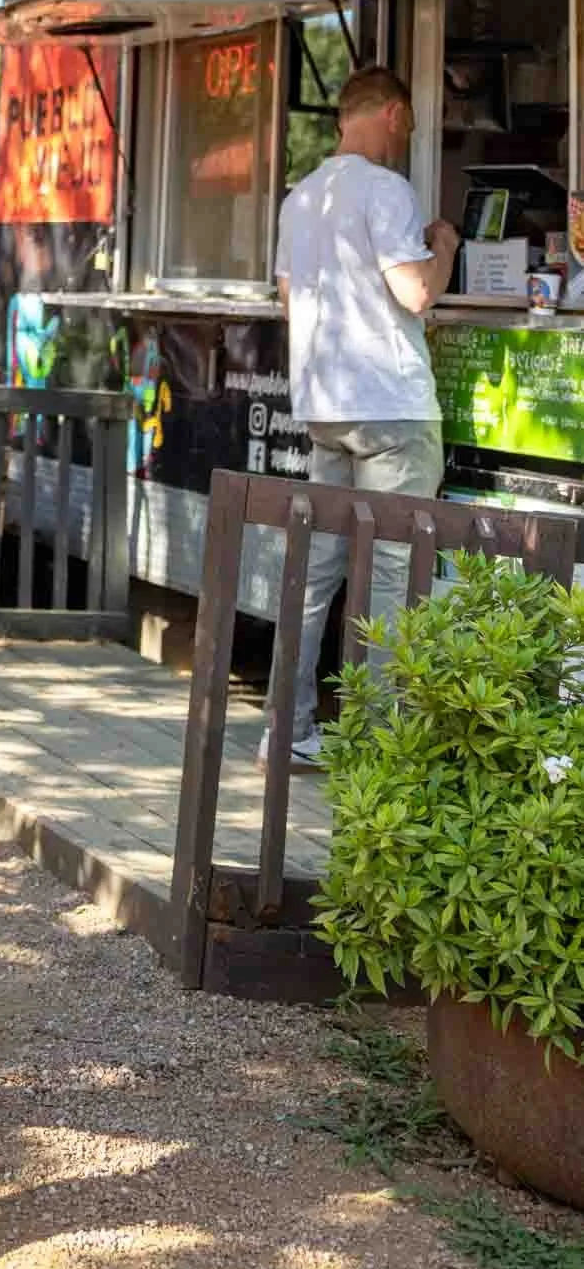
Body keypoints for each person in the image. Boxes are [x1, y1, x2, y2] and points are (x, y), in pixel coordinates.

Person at [264, 64, 460, 766]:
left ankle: (287, 733)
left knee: (314, 575)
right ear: (394, 114)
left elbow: (289, 301)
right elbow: (415, 293)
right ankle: (379, 750)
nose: (405, 137)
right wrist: (443, 246)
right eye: (407, 125)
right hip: (391, 407)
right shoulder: (386, 189)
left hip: (326, 407)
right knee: (390, 577)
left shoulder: (300, 198)